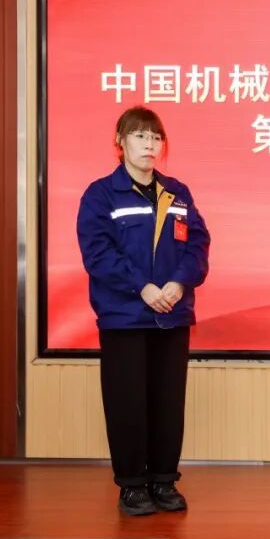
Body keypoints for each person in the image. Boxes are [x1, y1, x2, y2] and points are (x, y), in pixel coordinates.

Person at [77, 106, 210, 516]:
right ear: (120, 142)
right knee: (127, 403)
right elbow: (98, 253)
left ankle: (164, 480)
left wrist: (178, 283)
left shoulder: (178, 193)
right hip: (124, 318)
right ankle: (133, 485)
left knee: (168, 402)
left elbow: (198, 244)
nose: (149, 145)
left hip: (172, 314)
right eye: (139, 136)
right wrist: (143, 287)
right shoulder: (101, 195)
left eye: (155, 138)